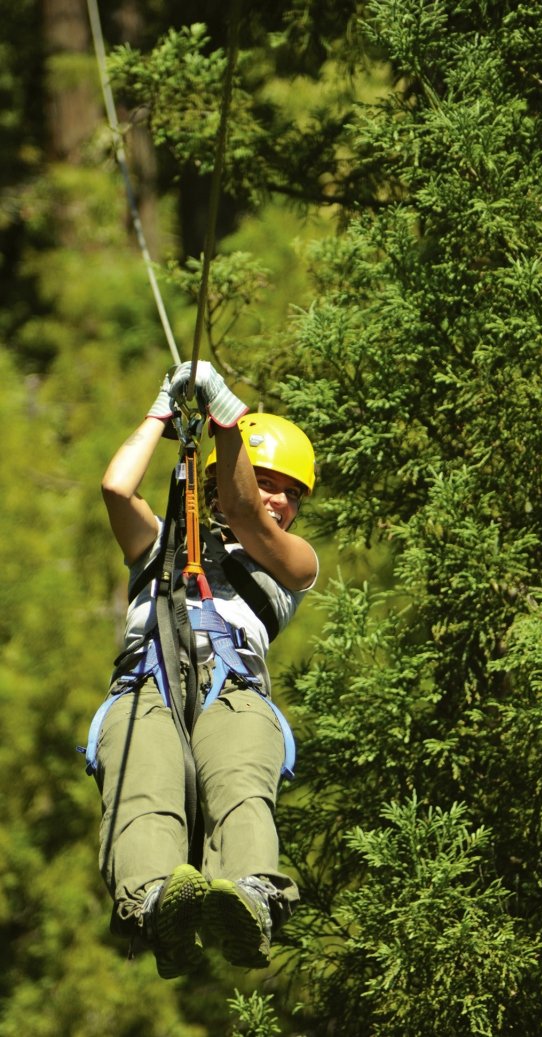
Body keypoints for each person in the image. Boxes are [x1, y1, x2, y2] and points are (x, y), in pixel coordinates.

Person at [87, 361, 318, 979]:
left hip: (232, 689)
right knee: (144, 793)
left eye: (290, 492)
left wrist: (227, 418)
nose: (279, 498)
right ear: (212, 484)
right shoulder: (157, 548)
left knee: (241, 787)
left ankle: (249, 893)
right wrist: (159, 414)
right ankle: (154, 901)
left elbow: (245, 515)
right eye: (266, 481)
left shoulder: (291, 566)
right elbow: (116, 490)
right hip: (146, 686)